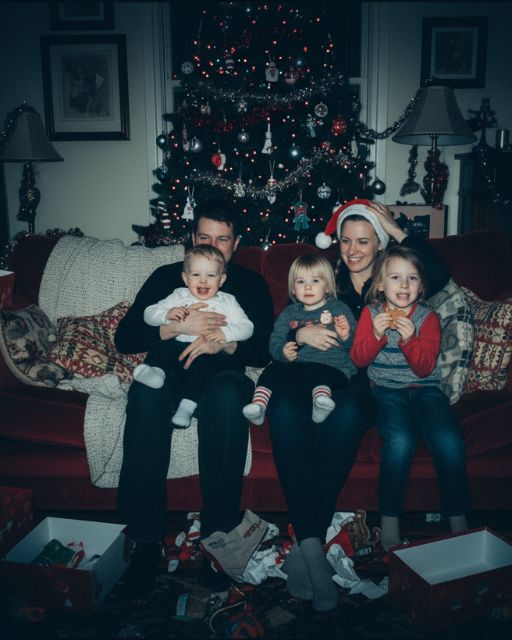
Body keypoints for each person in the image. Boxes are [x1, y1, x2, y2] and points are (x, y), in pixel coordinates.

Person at [266, 198, 452, 613]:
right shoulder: (328, 276)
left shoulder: (391, 279)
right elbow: (290, 319)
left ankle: (306, 545)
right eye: (346, 240)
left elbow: (437, 275)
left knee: (347, 413)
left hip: (361, 384)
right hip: (306, 374)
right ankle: (312, 547)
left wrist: (397, 228)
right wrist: (298, 338)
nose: (352, 250)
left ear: (380, 244)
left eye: (363, 241)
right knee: (283, 410)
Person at [114, 198, 274, 598]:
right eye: (205, 238)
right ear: (191, 239)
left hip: (223, 373)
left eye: (223, 239)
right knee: (145, 397)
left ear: (236, 244)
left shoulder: (249, 284)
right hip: (169, 367)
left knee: (226, 398)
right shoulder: (168, 277)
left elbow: (264, 349)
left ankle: (218, 541)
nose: (214, 246)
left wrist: (224, 343)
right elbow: (125, 337)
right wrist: (175, 328)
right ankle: (146, 542)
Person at [350, 245, 468, 551]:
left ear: (421, 286)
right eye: (396, 277)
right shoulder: (370, 313)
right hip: (387, 389)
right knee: (400, 440)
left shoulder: (427, 317)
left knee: (449, 441)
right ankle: (390, 520)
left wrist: (409, 339)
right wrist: (376, 336)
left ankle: (457, 518)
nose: (404, 285)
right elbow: (359, 359)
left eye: (412, 278)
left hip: (427, 388)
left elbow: (425, 367)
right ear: (380, 284)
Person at [133, 244, 254, 428]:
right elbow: (148, 314)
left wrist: (225, 333)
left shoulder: (228, 301)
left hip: (210, 352)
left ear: (221, 279)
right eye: (196, 274)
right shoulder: (178, 295)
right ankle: (157, 374)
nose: (203, 281)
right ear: (185, 277)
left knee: (205, 366)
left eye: (211, 275)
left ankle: (187, 407)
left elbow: (247, 327)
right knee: (160, 348)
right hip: (179, 347)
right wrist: (167, 315)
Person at [243, 253, 356, 427]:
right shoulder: (289, 313)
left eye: (315, 281)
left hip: (332, 367)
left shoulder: (338, 308)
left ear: (327, 286)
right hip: (297, 367)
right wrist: (282, 352)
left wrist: (346, 335)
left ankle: (321, 402)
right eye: (301, 282)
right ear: (293, 289)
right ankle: (258, 405)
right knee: (272, 371)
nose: (308, 287)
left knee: (324, 375)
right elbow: (275, 341)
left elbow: (354, 346)